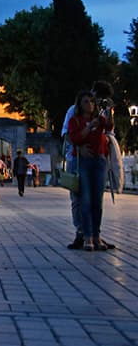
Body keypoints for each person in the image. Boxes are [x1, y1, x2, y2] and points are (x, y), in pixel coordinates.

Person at [68, 90, 113, 251]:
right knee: (85, 200)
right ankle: (87, 237)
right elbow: (74, 138)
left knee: (97, 201)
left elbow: (109, 126)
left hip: (99, 161)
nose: (90, 104)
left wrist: (108, 110)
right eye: (86, 101)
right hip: (84, 163)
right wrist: (89, 128)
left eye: (92, 101)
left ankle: (96, 235)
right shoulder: (75, 121)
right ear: (80, 104)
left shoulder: (99, 119)